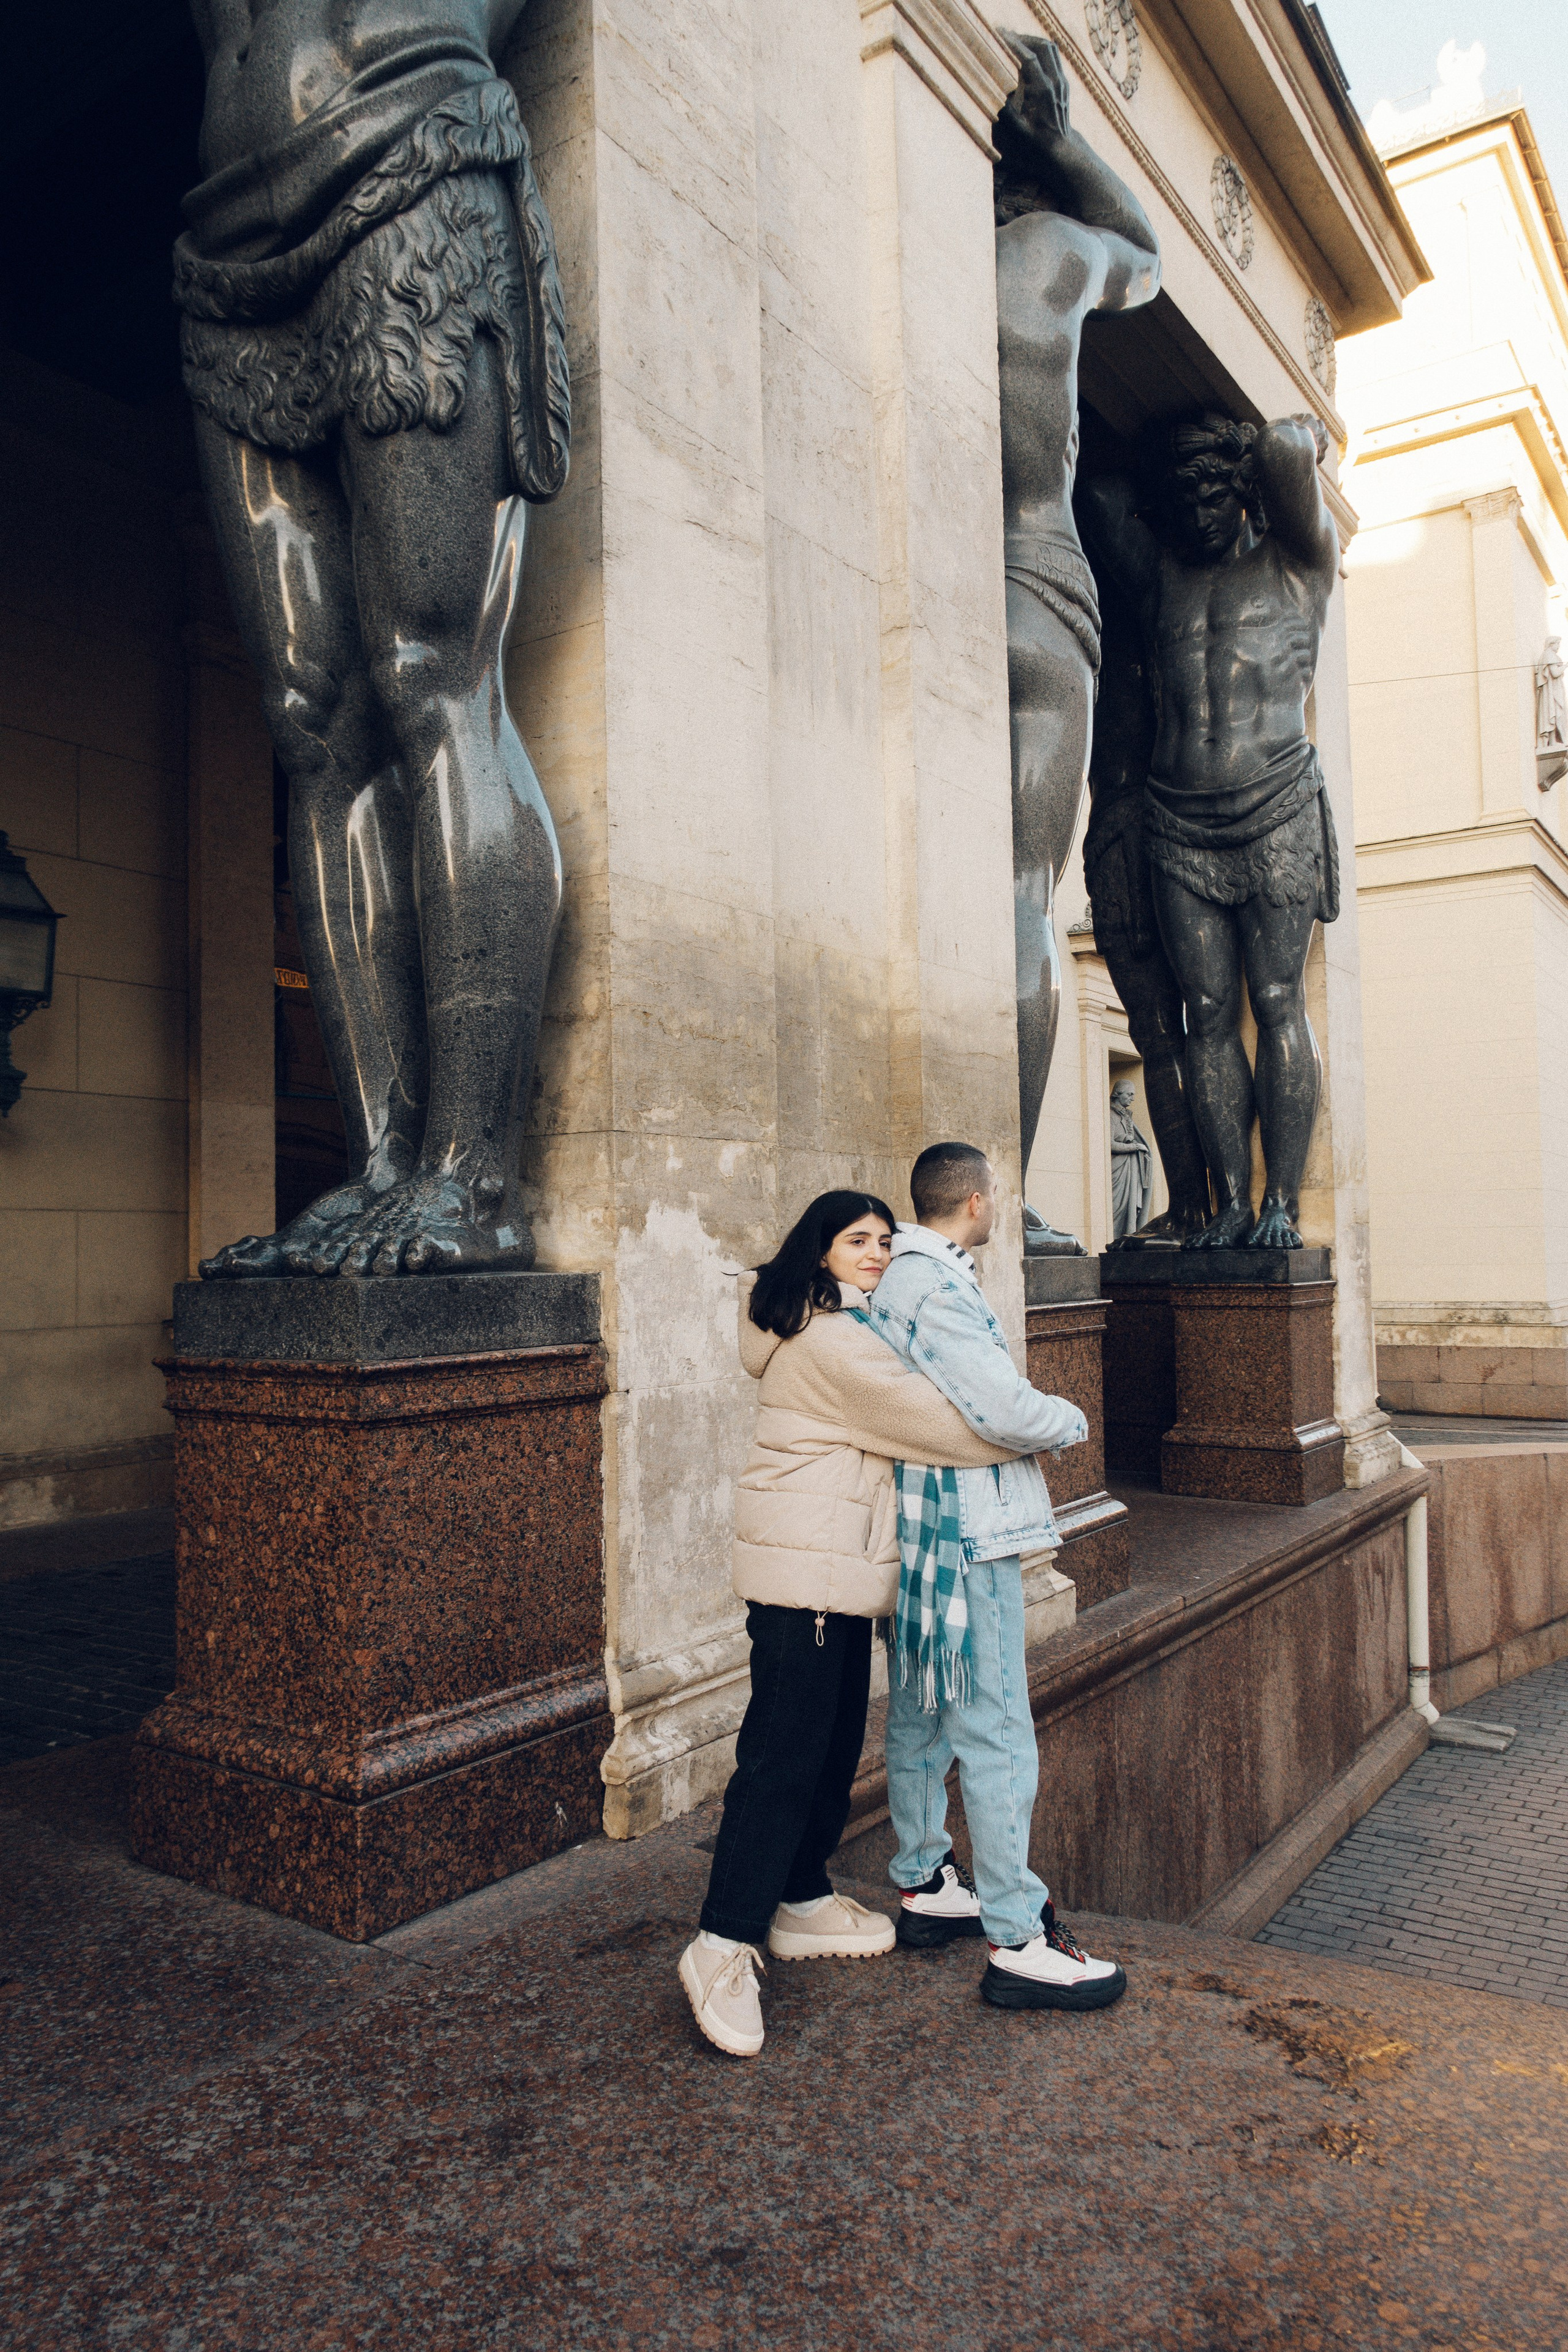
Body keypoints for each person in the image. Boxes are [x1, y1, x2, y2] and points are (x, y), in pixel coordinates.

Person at [179, 3, 571, 1279]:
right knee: (309, 719)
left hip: (410, 150)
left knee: (431, 678)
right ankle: (383, 1162)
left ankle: (476, 1180)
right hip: (225, 235)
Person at [678, 1191, 1028, 2060]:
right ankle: (721, 1941)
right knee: (784, 1756)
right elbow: (946, 1426)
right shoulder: (833, 1341)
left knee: (832, 1746)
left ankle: (798, 1896)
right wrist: (1043, 1425)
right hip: (808, 1577)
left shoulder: (831, 1323)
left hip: (831, 1576)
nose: (877, 1252)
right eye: (857, 1240)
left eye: (883, 1239)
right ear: (821, 1252)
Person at [858, 1142, 1128, 2013]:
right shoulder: (933, 1284)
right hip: (969, 1534)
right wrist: (1074, 1416)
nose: (1001, 1202)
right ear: (975, 1200)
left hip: (931, 1530)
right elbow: (1002, 1409)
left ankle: (924, 1877)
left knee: (924, 1708)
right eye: (998, 1192)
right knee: (998, 1728)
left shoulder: (902, 1275)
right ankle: (1018, 1934)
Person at [1080, 413, 1340, 1249]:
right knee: (1204, 1013)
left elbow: (1292, 450)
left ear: (1246, 493)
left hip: (1274, 805)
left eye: (1211, 490)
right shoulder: (1162, 581)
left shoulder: (1299, 566)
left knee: (1277, 1000)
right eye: (1181, 494)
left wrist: (1282, 452)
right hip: (1177, 820)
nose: (1196, 510)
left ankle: (1281, 1205)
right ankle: (1231, 1202)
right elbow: (1098, 493)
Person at [993, 34, 1160, 1253]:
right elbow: (1147, 257)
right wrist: (1062, 139)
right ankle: (994, 1189)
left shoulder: (896, 233)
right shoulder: (1047, 257)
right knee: (1015, 896)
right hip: (1031, 588)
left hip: (906, 568)